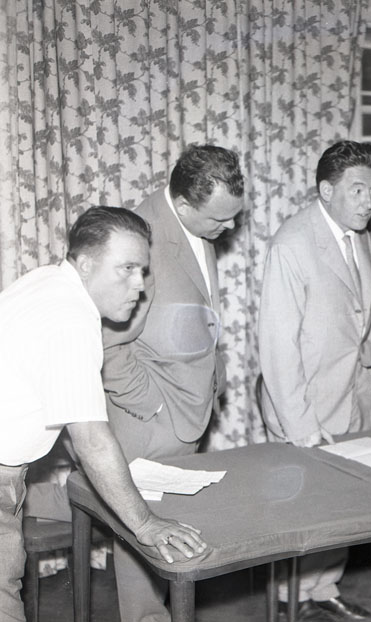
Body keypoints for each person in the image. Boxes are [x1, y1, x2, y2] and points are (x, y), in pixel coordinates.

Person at [0, 207, 207, 622]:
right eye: (126, 269)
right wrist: (145, 525)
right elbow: (91, 440)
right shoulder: (71, 321)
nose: (140, 285)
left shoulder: (47, 281)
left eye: (142, 270)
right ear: (86, 264)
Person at [101, 145, 244, 622]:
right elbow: (109, 345)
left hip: (188, 414)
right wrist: (154, 407)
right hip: (150, 423)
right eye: (220, 219)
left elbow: (195, 312)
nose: (231, 227)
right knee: (142, 540)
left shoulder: (197, 225)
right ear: (182, 205)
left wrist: (214, 370)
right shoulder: (140, 240)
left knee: (173, 538)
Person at [259, 140, 371, 621]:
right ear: (325, 190)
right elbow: (278, 345)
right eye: (357, 190)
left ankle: (323, 589)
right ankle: (289, 602)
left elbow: (358, 314)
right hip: (306, 409)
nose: (368, 200)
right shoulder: (292, 243)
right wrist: (301, 426)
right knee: (304, 513)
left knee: (343, 507)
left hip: (352, 398)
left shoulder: (360, 235)